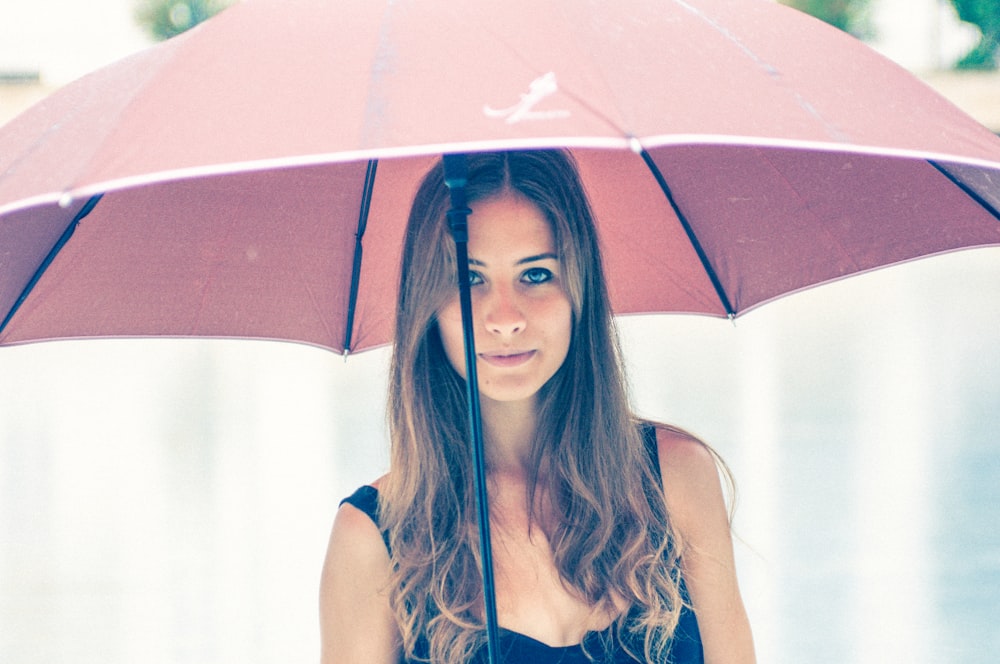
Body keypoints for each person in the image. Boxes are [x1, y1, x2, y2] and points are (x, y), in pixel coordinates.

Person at [320, 150, 755, 663]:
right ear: (427, 304)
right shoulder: (374, 539)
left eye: (535, 275)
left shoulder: (675, 479)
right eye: (469, 279)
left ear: (579, 288)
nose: (505, 318)